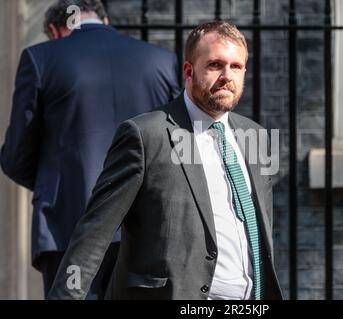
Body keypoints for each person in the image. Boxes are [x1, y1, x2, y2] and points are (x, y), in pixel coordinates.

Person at [47, 20, 282, 300]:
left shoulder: (255, 136)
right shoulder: (146, 135)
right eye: (215, 65)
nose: (227, 76)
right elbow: (94, 232)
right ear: (188, 71)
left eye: (236, 66)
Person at [0, 0, 180, 299]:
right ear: (105, 19)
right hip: (144, 225)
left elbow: (17, 156)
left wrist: (51, 179)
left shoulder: (40, 58)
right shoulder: (161, 61)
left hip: (66, 226)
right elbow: (177, 145)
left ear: (56, 30)